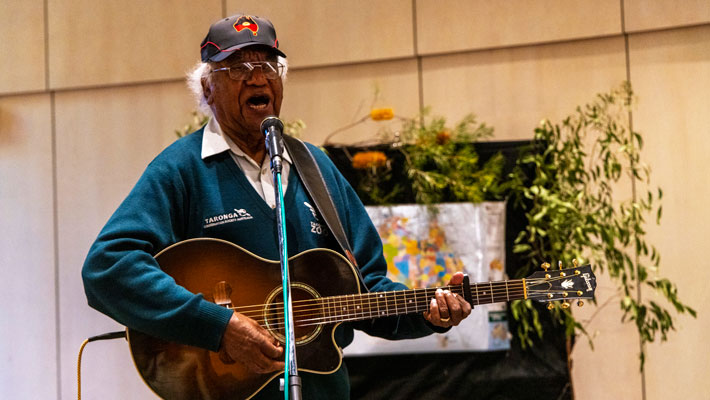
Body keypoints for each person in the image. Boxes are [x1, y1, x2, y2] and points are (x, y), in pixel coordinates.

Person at [82, 14, 472, 399]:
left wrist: (427, 314)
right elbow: (108, 267)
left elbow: (367, 290)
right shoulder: (181, 170)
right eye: (237, 67)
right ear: (207, 86)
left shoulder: (316, 169)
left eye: (269, 65)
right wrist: (219, 325)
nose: (258, 78)